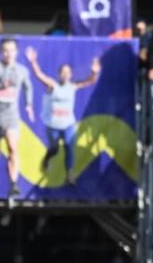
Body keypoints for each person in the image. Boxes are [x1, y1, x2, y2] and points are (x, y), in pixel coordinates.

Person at [25, 46, 100, 177]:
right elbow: (39, 75)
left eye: (68, 72)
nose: (65, 74)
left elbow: (90, 81)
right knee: (54, 149)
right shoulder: (53, 86)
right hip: (53, 124)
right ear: (59, 74)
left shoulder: (73, 86)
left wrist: (94, 72)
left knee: (69, 147)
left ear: (71, 75)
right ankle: (47, 159)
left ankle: (70, 173)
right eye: (63, 72)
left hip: (68, 124)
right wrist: (33, 61)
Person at [0, 38, 34, 201]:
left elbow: (28, 86)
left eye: (11, 50)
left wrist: (29, 104)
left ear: (16, 52)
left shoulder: (22, 70)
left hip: (12, 115)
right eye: (5, 50)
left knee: (13, 147)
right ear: (0, 52)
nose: (8, 54)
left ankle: (13, 185)